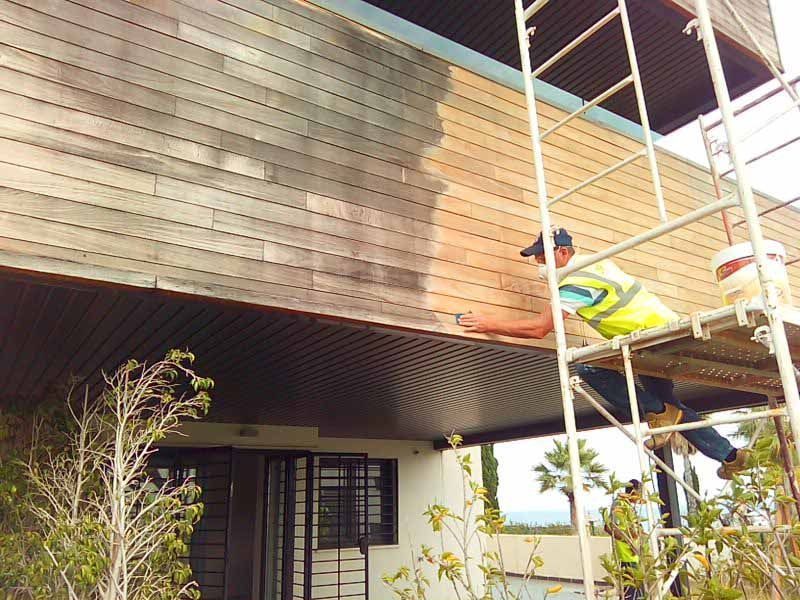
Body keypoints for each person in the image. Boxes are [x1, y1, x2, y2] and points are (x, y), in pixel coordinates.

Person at [457, 227, 748, 480]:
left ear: (562, 252)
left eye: (542, 256)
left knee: (589, 368)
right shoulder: (596, 265)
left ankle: (658, 413)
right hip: (662, 332)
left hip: (652, 339)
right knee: (671, 407)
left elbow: (540, 329)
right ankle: (730, 455)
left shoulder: (576, 281)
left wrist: (488, 323)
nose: (538, 263)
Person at [606, 479, 645, 600]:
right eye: (640, 493)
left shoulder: (629, 507)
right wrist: (628, 541)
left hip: (634, 556)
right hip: (626, 556)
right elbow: (609, 527)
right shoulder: (620, 504)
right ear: (634, 491)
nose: (640, 497)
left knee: (638, 592)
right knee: (630, 593)